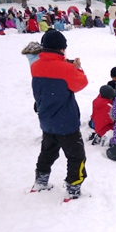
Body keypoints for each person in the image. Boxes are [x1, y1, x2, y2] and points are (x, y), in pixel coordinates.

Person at [29, 30, 89, 202]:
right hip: (66, 123)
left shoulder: (35, 66)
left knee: (47, 152)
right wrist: (77, 67)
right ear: (61, 49)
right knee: (76, 156)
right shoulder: (67, 68)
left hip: (47, 121)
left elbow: (50, 77)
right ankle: (73, 189)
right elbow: (81, 83)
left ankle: (40, 181)